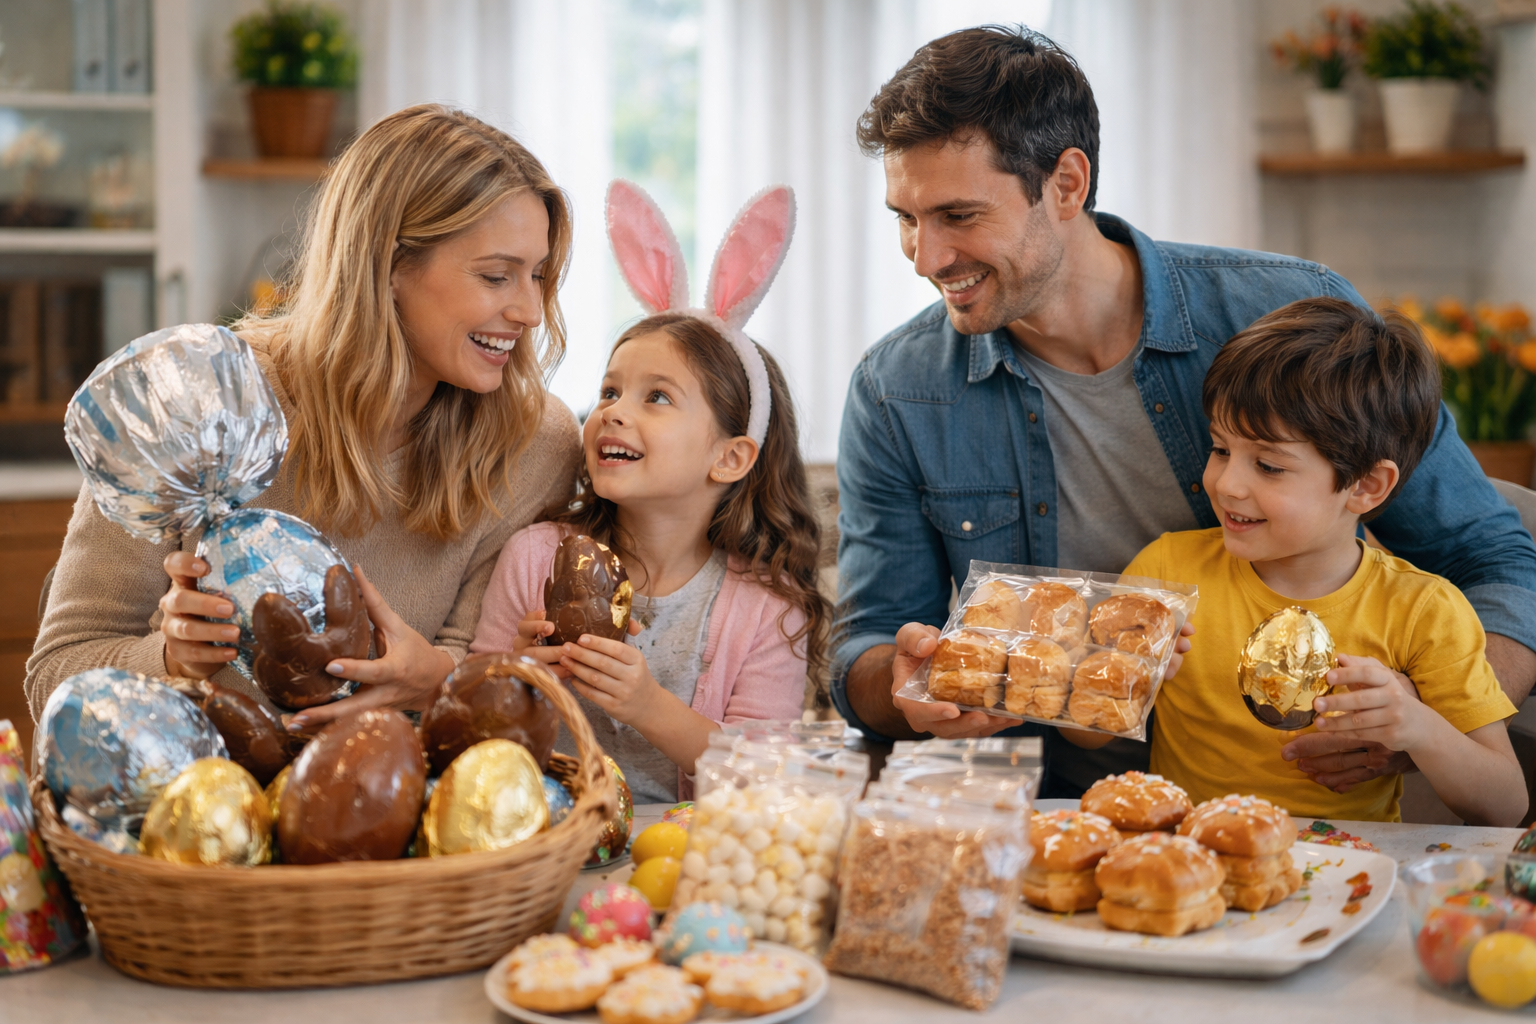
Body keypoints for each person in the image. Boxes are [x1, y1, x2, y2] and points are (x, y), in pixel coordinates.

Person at [833, 26, 1536, 798]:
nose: (924, 258)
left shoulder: (1290, 312)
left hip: (1317, 802)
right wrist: (906, 691)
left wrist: (1412, 731)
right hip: (1050, 803)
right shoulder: (894, 391)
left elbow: (1494, 559)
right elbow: (866, 648)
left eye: (959, 216)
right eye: (905, 217)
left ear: (1067, 184)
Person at [25, 105, 583, 728]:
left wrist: (437, 683)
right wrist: (169, 660)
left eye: (539, 276)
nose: (532, 311)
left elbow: (496, 682)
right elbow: (56, 674)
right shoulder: (199, 398)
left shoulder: (537, 444)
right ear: (389, 265)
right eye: (496, 276)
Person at [1063, 298, 1524, 825]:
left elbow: (1504, 805)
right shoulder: (1166, 569)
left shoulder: (1425, 610)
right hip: (1192, 862)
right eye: (1220, 449)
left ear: (1366, 485)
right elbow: (1084, 733)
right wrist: (1124, 683)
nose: (1227, 484)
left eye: (1268, 465)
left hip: (1347, 879)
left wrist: (1417, 727)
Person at [471, 182, 822, 803]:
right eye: (609, 392)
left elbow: (765, 782)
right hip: (549, 852)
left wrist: (649, 706)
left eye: (656, 397)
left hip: (687, 861)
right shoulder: (534, 558)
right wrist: (518, 677)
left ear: (730, 456)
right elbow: (475, 734)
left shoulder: (769, 611)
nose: (613, 412)